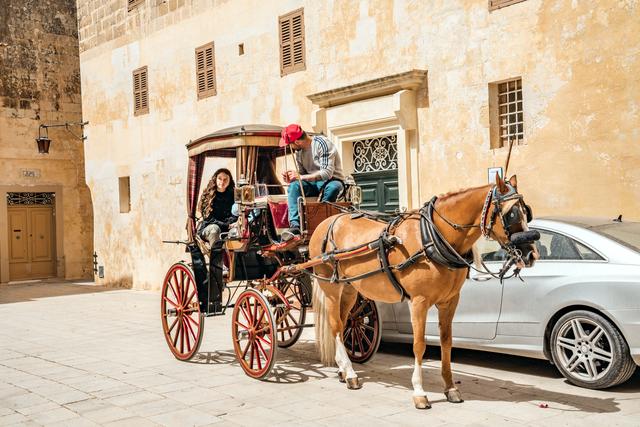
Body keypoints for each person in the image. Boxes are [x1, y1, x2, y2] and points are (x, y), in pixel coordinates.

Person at [279, 123, 344, 240]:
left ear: (297, 142)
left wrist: (300, 177)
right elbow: (302, 174)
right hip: (313, 183)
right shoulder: (299, 153)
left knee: (333, 188)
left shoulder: (322, 144)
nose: (290, 147)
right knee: (294, 186)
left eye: (290, 144)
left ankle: (323, 223)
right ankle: (295, 226)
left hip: (332, 180)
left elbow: (327, 173)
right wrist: (292, 178)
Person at [197, 168, 236, 244]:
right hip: (209, 227)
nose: (222, 182)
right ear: (215, 179)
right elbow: (208, 218)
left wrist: (233, 223)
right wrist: (226, 225)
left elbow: (235, 213)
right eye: (220, 179)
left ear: (229, 181)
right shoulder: (208, 195)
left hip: (229, 227)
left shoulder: (233, 195)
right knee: (215, 229)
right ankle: (216, 255)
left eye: (225, 179)